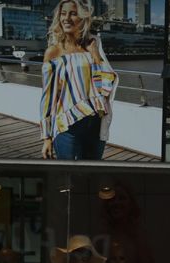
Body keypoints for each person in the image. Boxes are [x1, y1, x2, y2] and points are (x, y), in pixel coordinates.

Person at [40, 0, 117, 160]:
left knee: (92, 177)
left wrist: (95, 54)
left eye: (73, 13)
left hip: (96, 125)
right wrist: (46, 137)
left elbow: (106, 88)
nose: (66, 18)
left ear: (82, 19)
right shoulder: (53, 52)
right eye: (63, 13)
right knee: (70, 179)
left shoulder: (92, 46)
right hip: (68, 127)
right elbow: (47, 98)